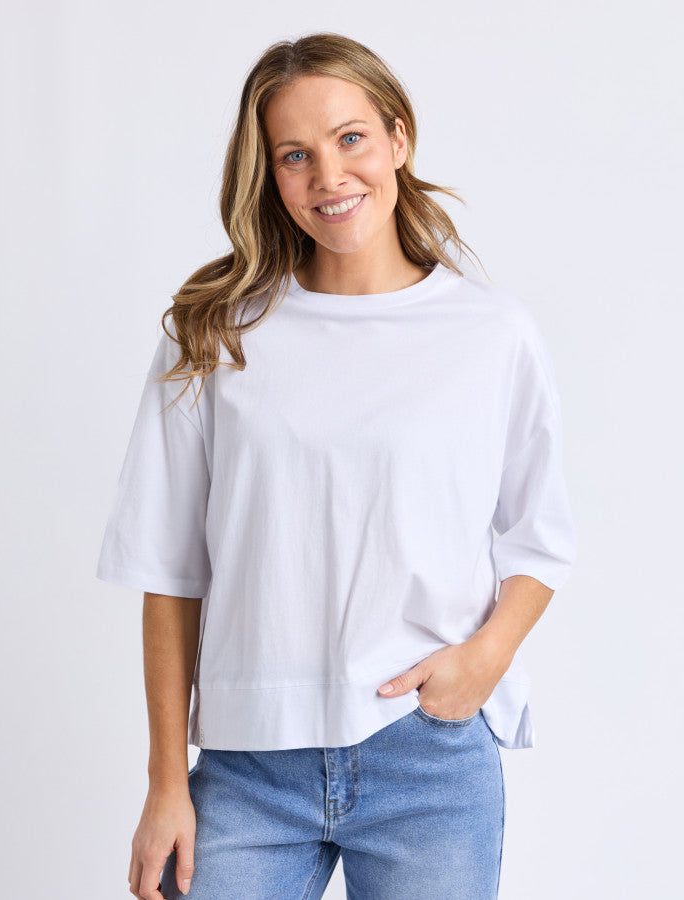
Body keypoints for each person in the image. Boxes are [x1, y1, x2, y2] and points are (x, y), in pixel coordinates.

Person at [96, 31, 577, 900]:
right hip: (248, 768)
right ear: (269, 175)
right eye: (295, 155)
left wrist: (485, 659)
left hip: (427, 757)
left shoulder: (491, 334)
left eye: (350, 138)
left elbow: (539, 540)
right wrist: (167, 782)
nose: (329, 176)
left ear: (398, 139)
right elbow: (168, 571)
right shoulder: (213, 334)